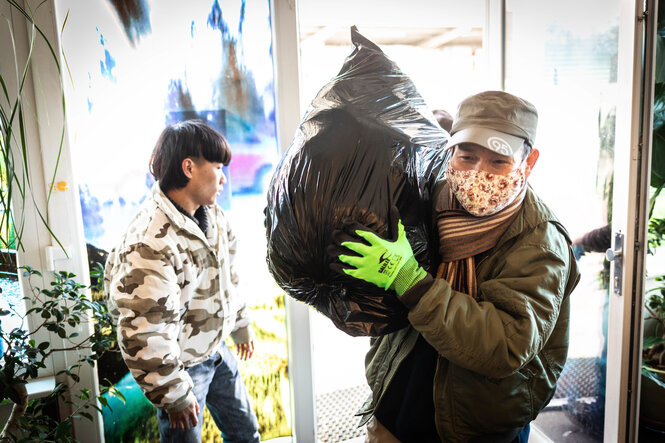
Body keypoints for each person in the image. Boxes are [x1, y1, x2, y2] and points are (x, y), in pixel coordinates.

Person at [329, 91, 580, 442]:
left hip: (471, 427)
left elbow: (506, 343)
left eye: (498, 161)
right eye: (467, 155)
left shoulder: (539, 241)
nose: (478, 173)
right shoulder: (432, 197)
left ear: (529, 161)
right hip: (395, 403)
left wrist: (410, 280)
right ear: (451, 150)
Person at [104, 120, 260, 443]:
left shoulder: (212, 213)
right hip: (182, 368)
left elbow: (228, 277)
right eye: (217, 167)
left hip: (215, 351)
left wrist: (240, 324)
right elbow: (143, 330)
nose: (223, 178)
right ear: (189, 168)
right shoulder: (148, 242)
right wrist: (172, 394)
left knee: (246, 433)